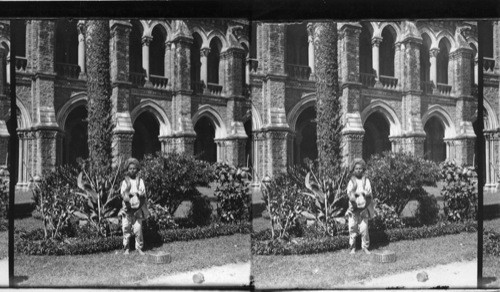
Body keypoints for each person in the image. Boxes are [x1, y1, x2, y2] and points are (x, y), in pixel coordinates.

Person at [120, 157, 149, 255]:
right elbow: (123, 194)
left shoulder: (140, 181)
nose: (132, 170)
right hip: (128, 209)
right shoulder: (125, 182)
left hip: (137, 208)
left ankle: (139, 247)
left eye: (134, 168)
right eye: (130, 168)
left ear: (137, 170)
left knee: (138, 229)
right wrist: (129, 195)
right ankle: (126, 247)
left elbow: (143, 193)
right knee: (126, 228)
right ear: (127, 170)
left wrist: (139, 194)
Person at [346, 158, 374, 255]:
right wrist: (355, 195)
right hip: (353, 209)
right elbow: (349, 194)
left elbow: (369, 193)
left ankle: (365, 247)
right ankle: (352, 247)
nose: (358, 170)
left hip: (364, 209)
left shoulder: (366, 181)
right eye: (356, 168)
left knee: (364, 229)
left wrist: (363, 194)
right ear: (354, 170)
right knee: (352, 228)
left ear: (363, 170)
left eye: (360, 168)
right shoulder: (351, 182)